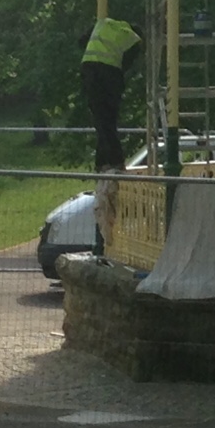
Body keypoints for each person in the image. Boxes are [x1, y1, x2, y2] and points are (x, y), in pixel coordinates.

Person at [80, 17, 142, 257]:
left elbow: (81, 41)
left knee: (100, 121)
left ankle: (102, 162)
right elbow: (124, 65)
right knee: (109, 120)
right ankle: (115, 161)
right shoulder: (134, 39)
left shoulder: (104, 24)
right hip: (107, 73)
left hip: (88, 68)